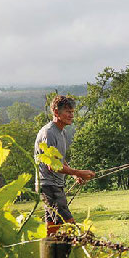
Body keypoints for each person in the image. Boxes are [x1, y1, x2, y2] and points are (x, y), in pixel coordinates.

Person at [34, 95, 95, 235]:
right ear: (56, 112)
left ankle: (52, 254)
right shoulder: (49, 133)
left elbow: (59, 160)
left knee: (52, 227)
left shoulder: (62, 132)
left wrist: (74, 175)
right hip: (48, 185)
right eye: (68, 111)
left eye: (73, 111)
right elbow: (53, 166)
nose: (71, 115)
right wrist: (80, 172)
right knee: (68, 223)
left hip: (55, 184)